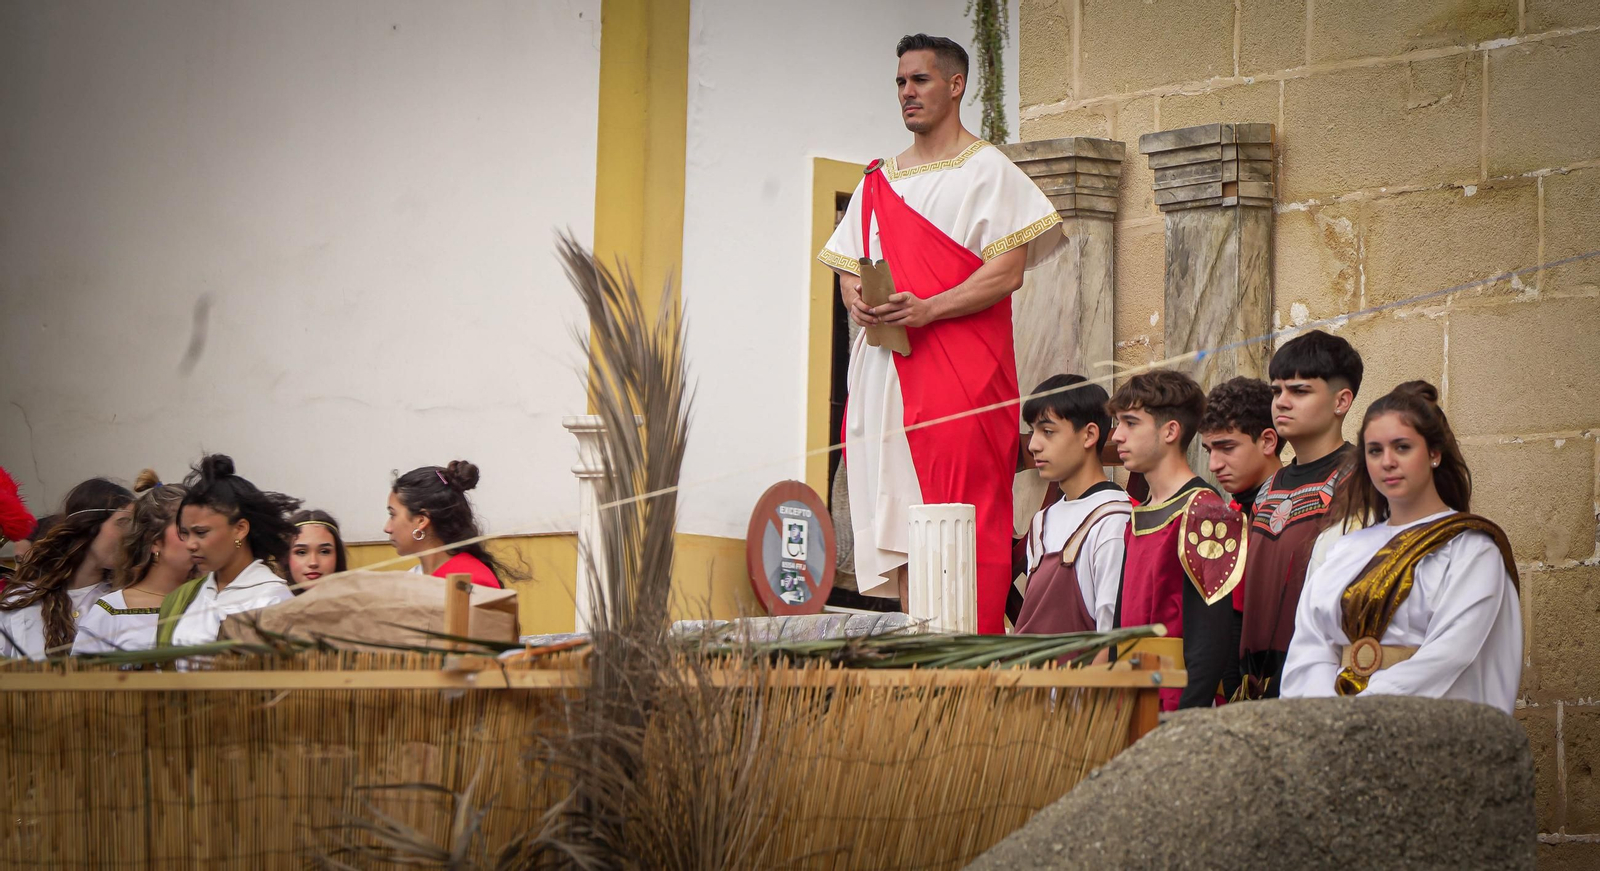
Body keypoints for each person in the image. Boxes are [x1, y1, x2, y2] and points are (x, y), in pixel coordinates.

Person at [816, 34, 1067, 633]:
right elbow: (850, 267)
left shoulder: (989, 170)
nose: (907, 92)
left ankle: (961, 659)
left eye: (920, 80)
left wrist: (928, 309)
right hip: (885, 371)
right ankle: (915, 642)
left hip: (957, 366)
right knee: (898, 516)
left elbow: (1006, 273)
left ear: (955, 85)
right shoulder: (878, 179)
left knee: (955, 508)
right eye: (900, 82)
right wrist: (856, 296)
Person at [1281, 382, 1520, 714]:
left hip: (1422, 729)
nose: (1387, 462)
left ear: (1434, 454)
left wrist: (1360, 712)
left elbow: (1449, 655)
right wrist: (1321, 717)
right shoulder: (1345, 550)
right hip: (1332, 732)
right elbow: (1310, 646)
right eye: (1375, 450)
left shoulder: (1471, 550)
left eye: (1402, 447)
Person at [1108, 370, 1246, 710]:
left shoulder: (1206, 512)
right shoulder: (1139, 514)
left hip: (1174, 700)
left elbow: (1211, 638)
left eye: (1130, 423)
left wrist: (1183, 722)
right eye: (1118, 423)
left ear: (1170, 430)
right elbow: (1120, 628)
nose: (1117, 436)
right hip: (1131, 695)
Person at [1238, 330, 1364, 698]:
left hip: (1318, 681)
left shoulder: (1360, 482)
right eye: (1277, 391)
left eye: (1299, 391)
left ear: (1342, 401)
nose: (1281, 402)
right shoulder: (1268, 486)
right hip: (1253, 686)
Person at [1013, 375, 1130, 634]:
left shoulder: (1114, 520)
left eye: (1048, 431)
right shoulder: (1042, 521)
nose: (1033, 445)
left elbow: (1111, 636)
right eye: (1032, 431)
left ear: (1089, 435)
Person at [158, 455, 299, 648]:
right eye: (185, 533)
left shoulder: (271, 598)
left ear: (240, 529)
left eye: (201, 532)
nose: (190, 544)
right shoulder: (185, 597)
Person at [0, 479, 133, 659]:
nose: (131, 536)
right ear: (89, 525)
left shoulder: (125, 599)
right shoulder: (22, 600)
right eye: (123, 523)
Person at [73, 471, 190, 655]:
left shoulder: (211, 600)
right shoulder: (110, 611)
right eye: (186, 531)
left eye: (203, 532)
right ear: (155, 541)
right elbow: (82, 681)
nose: (198, 542)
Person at [386, 460, 511, 588]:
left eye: (392, 515)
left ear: (421, 521)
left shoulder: (472, 582)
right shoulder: (414, 578)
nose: (387, 528)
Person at [1198, 377, 1283, 518]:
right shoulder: (1232, 514)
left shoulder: (1300, 514)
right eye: (1209, 450)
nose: (1213, 466)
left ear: (1267, 442)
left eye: (1227, 448)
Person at [287, 509, 348, 588]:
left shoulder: (359, 599)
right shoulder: (273, 598)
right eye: (301, 552)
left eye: (324, 552)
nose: (313, 562)